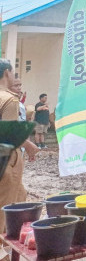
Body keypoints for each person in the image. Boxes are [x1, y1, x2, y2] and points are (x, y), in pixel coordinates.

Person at [0, 59, 28, 234]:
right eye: (13, 72)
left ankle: (13, 241)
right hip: (7, 160)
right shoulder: (9, 100)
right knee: (4, 207)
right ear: (6, 73)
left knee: (21, 195)